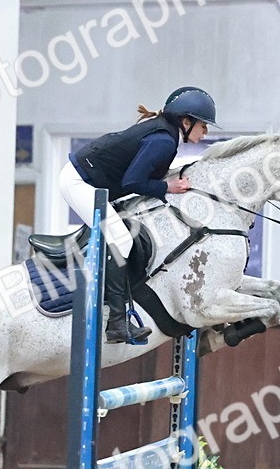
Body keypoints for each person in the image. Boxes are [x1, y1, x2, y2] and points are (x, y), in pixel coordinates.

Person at [60, 86, 215, 343]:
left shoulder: (167, 135)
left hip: (93, 182)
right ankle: (117, 323)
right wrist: (167, 187)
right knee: (121, 239)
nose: (205, 132)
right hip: (79, 183)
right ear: (186, 122)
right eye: (203, 125)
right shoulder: (163, 141)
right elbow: (133, 181)